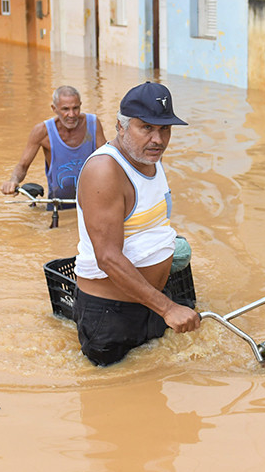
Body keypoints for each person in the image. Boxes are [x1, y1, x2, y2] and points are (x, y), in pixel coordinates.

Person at [73, 81, 201, 365]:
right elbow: (107, 258)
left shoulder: (150, 158)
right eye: (146, 128)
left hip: (152, 302)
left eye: (164, 129)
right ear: (121, 127)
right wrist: (168, 308)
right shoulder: (105, 171)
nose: (158, 139)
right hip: (112, 315)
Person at [2, 86, 106, 206]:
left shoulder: (93, 124)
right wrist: (13, 180)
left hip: (91, 204)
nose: (71, 114)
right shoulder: (42, 131)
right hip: (58, 205)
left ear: (80, 105)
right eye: (65, 109)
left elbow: (107, 160)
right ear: (54, 108)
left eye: (75, 108)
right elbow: (22, 166)